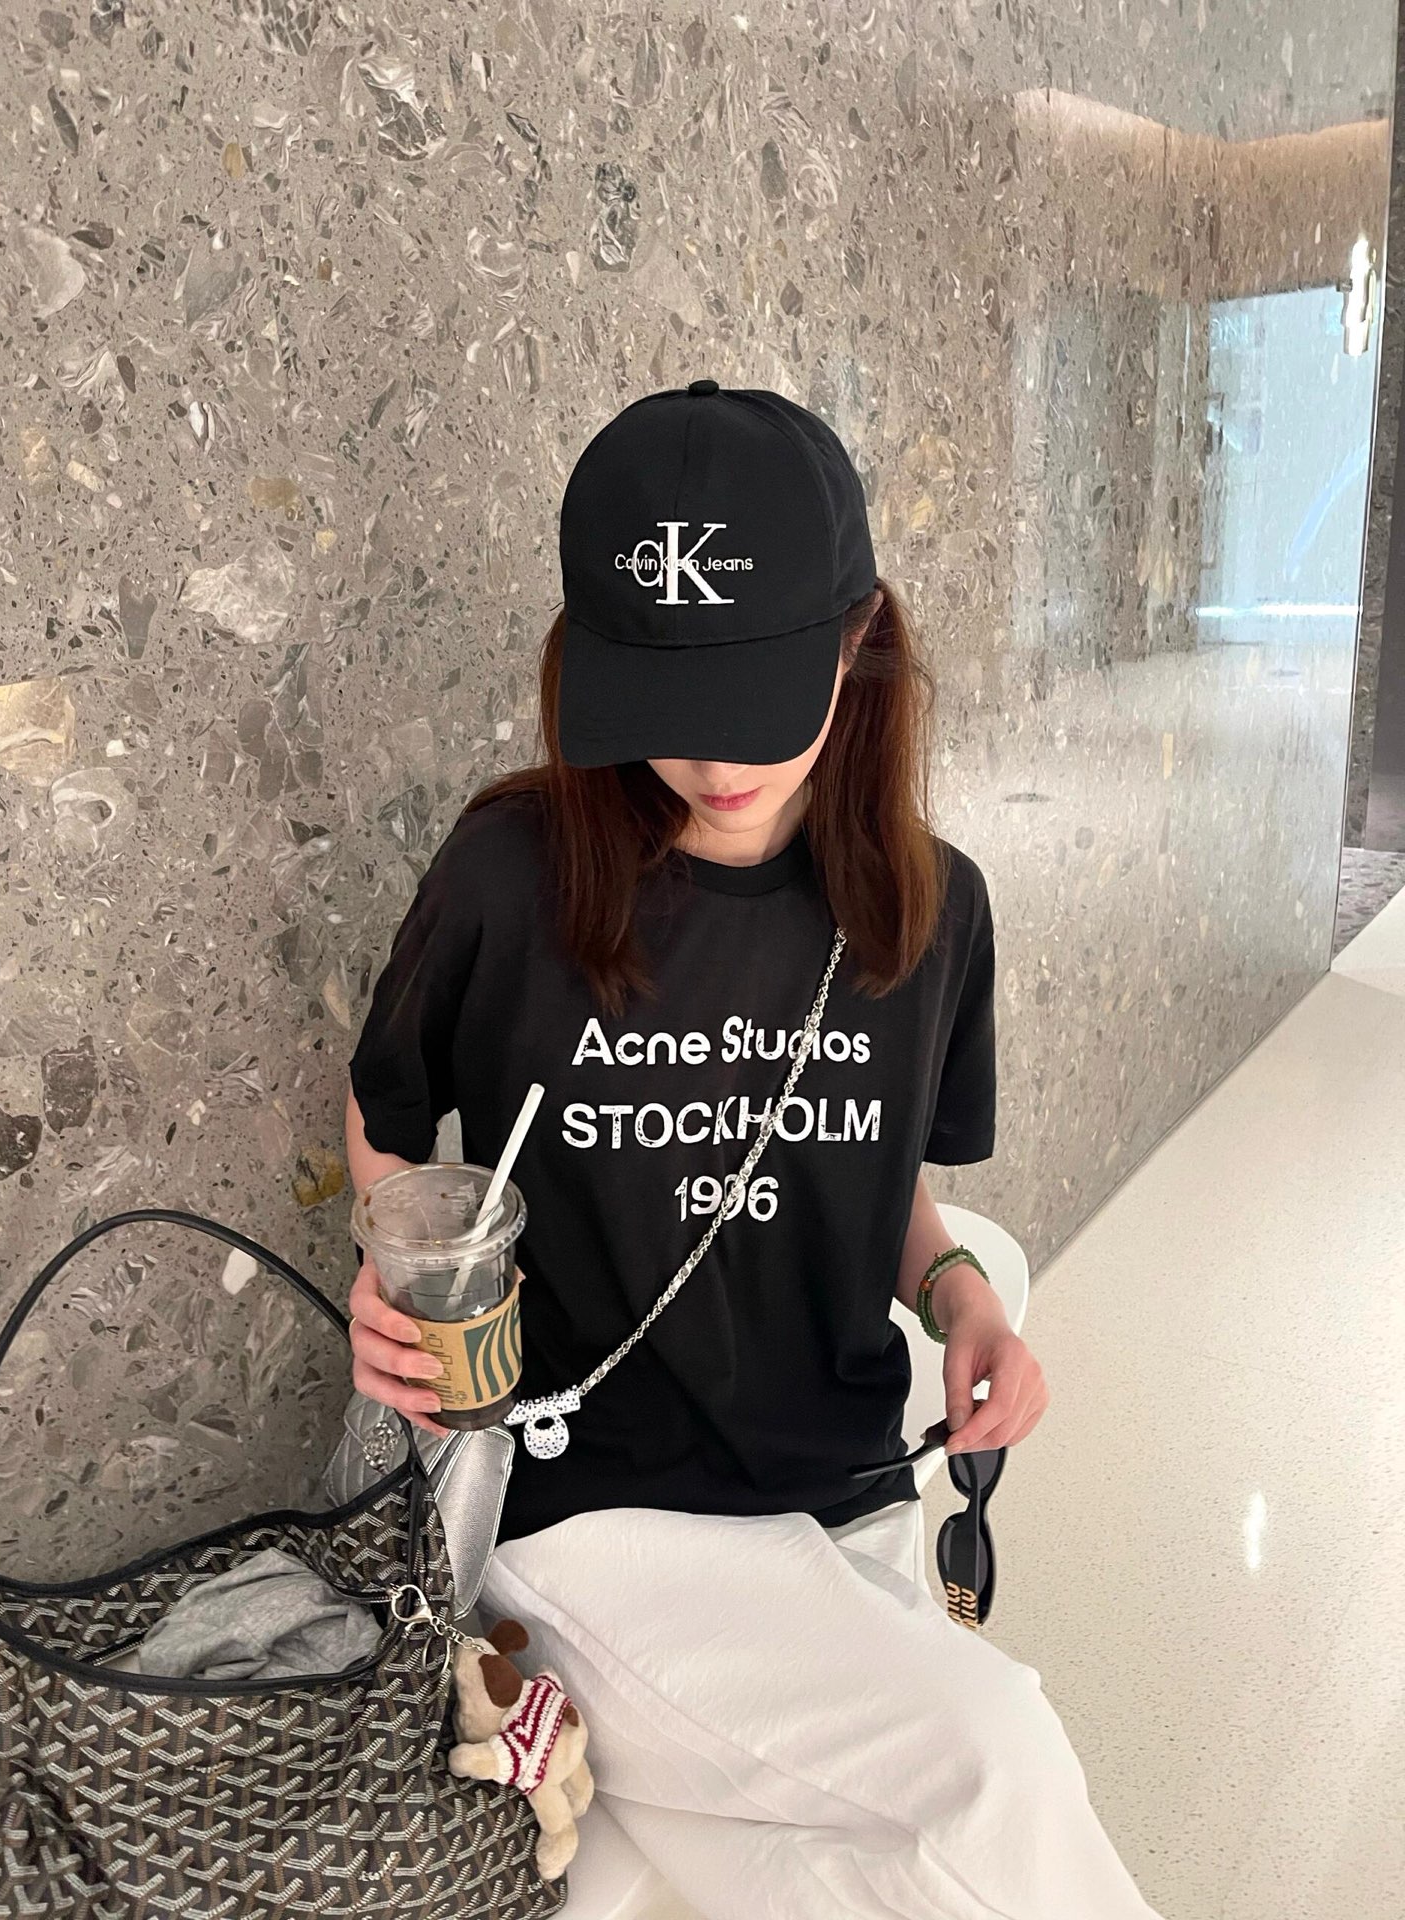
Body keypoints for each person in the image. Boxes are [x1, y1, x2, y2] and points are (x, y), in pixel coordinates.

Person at [342, 380, 1162, 1919]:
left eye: (754, 694)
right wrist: (393, 1286)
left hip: (840, 1486)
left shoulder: (933, 912)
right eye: (665, 699)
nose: (714, 759)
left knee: (840, 1876)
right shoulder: (510, 874)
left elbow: (884, 1188)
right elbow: (387, 1123)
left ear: (859, 639)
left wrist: (965, 1301)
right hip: (589, 1503)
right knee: (995, 1766)